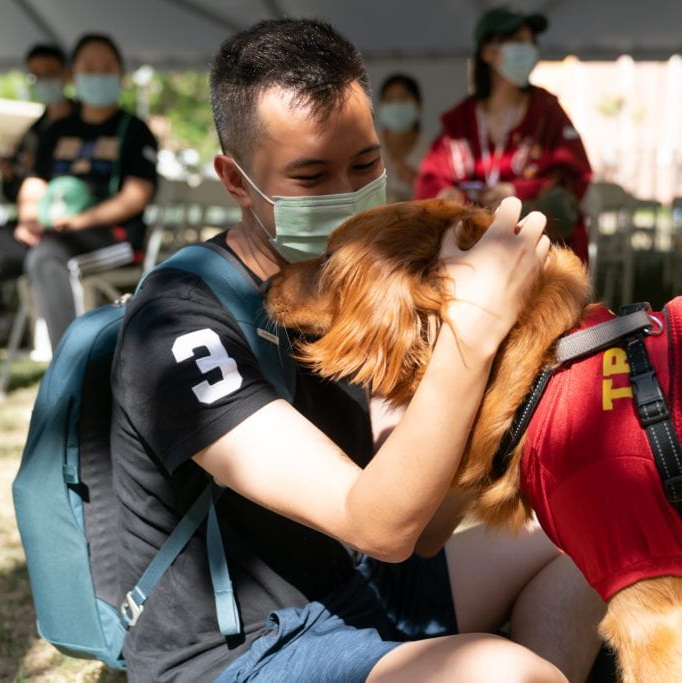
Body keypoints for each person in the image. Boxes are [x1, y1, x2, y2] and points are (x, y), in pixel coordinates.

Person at [110, 18, 604, 682]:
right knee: (504, 674)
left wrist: (518, 367)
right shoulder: (177, 322)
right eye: (311, 175)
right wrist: (476, 325)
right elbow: (377, 522)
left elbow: (424, 525)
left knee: (598, 535)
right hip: (244, 649)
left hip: (360, 589)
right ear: (234, 179)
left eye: (365, 164)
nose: (346, 194)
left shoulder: (354, 282)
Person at [0, 33, 157, 409]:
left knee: (49, 258)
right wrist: (29, 216)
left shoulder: (133, 129)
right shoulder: (56, 130)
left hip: (112, 237)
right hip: (52, 231)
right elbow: (34, 182)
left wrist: (82, 219)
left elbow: (136, 196)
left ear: (120, 76)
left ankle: (73, 379)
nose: (96, 76)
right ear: (73, 76)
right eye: (88, 68)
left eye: (106, 69)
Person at [415, 7, 593, 263]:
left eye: (532, 43)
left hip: (539, 250)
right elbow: (431, 179)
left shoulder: (547, 111)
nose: (529, 50)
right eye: (519, 42)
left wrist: (517, 189)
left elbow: (573, 175)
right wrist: (446, 195)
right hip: (471, 250)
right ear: (488, 52)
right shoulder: (460, 120)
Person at [0, 44, 76, 203]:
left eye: (50, 73)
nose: (43, 81)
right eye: (36, 76)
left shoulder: (87, 121)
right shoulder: (33, 132)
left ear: (67, 74)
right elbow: (15, 192)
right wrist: (10, 175)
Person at [376, 73, 428, 202]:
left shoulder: (432, 151)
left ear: (419, 107)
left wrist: (420, 183)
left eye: (403, 98)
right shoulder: (368, 147)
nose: (396, 105)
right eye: (389, 99)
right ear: (380, 107)